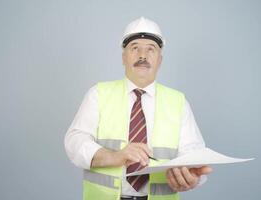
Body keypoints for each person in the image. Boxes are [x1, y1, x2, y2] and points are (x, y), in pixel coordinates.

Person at [64, 17, 213, 200]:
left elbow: (193, 152)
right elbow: (74, 141)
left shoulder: (178, 102)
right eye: (135, 48)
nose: (143, 56)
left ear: (160, 60)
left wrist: (191, 176)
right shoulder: (98, 94)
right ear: (123, 57)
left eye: (151, 49)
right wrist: (114, 157)